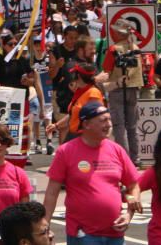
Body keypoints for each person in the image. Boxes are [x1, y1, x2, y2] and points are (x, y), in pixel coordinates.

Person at [43, 101, 141, 244]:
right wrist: (45, 226)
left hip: (115, 233)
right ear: (86, 124)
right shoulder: (66, 151)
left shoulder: (117, 150)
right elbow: (52, 193)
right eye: (103, 120)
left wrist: (129, 214)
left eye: (109, 119)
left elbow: (133, 186)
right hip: (83, 234)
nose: (108, 124)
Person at [102, 22, 144, 162]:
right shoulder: (136, 49)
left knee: (119, 125)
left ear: (119, 34)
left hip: (117, 88)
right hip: (133, 89)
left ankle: (124, 158)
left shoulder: (114, 49)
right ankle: (135, 157)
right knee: (132, 125)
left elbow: (107, 70)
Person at [47, 63, 103, 142]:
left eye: (74, 75)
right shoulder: (80, 92)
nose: (72, 78)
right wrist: (56, 125)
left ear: (79, 76)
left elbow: (96, 118)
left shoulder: (93, 93)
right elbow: (72, 115)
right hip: (74, 134)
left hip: (84, 137)